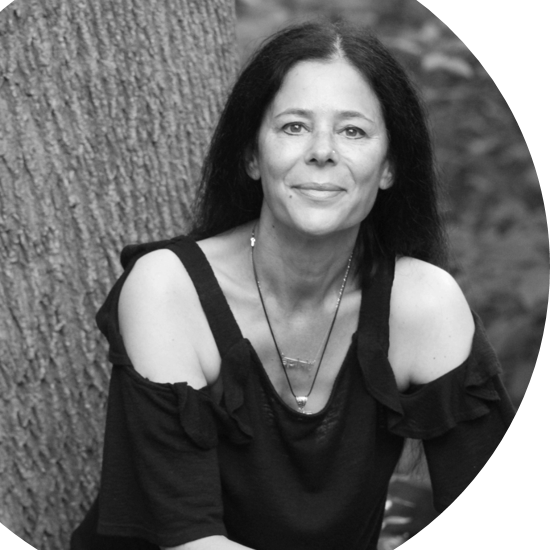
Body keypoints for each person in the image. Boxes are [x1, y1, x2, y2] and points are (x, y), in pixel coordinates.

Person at [71, 19, 515, 550]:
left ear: (391, 164)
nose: (322, 151)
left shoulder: (424, 304)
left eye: (352, 130)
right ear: (252, 156)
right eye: (293, 126)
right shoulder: (169, 288)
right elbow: (189, 539)